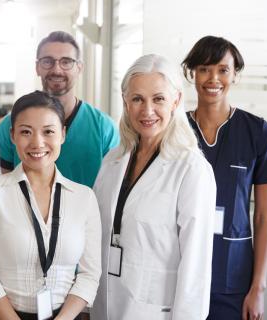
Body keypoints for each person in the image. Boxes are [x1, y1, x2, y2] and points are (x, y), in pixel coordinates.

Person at [92, 54, 216, 320]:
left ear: (176, 101)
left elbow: (196, 268)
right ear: (125, 101)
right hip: (105, 304)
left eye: (158, 98)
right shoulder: (113, 160)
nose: (147, 111)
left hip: (153, 311)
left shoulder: (191, 170)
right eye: (137, 99)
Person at [0, 91, 101, 320]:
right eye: (26, 132)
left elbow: (90, 274)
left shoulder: (84, 197)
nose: (37, 143)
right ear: (12, 135)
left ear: (63, 134)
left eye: (48, 131)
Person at [182, 36, 267, 320]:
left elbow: (262, 216)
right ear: (192, 73)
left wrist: (258, 288)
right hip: (181, 270)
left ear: (235, 75)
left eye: (223, 69)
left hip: (233, 278)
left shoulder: (259, 133)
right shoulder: (176, 131)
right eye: (204, 68)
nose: (213, 78)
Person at [0, 31, 119, 187]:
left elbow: (113, 191)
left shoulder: (104, 128)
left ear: (79, 68)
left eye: (66, 62)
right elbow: (2, 189)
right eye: (47, 61)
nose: (57, 70)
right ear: (37, 67)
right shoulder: (10, 126)